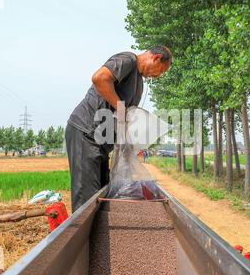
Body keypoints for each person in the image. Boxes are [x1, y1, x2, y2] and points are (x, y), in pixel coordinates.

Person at [65, 46, 172, 212]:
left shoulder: (138, 83)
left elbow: (125, 117)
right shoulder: (128, 60)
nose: (158, 76)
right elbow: (99, 78)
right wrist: (120, 107)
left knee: (101, 193)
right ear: (156, 58)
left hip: (101, 142)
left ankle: (97, 235)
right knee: (86, 199)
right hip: (86, 133)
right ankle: (81, 236)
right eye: (161, 71)